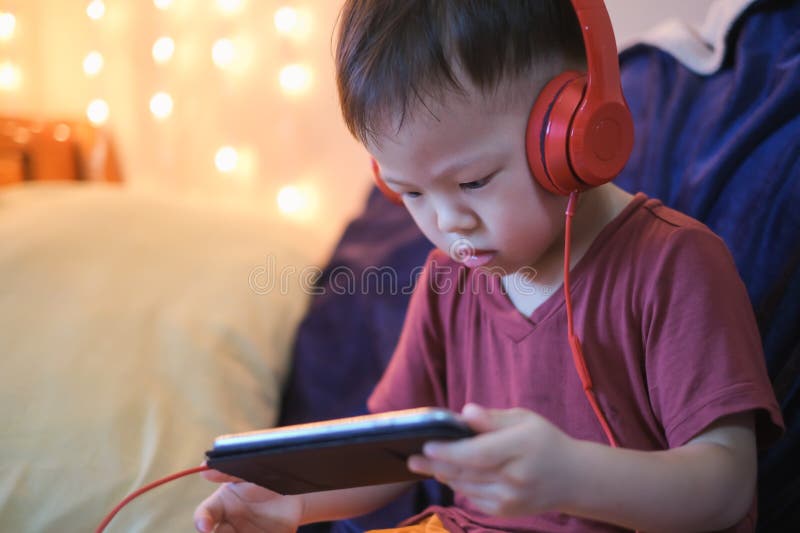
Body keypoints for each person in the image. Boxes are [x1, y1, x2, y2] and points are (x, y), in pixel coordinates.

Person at [194, 1, 784, 531]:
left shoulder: (673, 267)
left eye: (472, 181)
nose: (450, 223)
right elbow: (394, 458)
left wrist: (572, 476)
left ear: (574, 134)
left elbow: (726, 487)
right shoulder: (447, 283)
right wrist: (297, 501)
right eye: (412, 193)